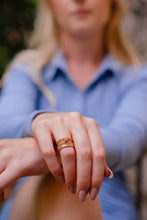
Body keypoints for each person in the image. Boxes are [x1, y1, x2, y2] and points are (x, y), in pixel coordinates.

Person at [0, 0, 147, 219]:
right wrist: (42, 126)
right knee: (63, 177)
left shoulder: (138, 78)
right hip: (29, 208)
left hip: (110, 212)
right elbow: (5, 126)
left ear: (113, 3)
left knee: (68, 173)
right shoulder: (27, 70)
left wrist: (48, 152)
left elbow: (128, 141)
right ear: (50, 5)